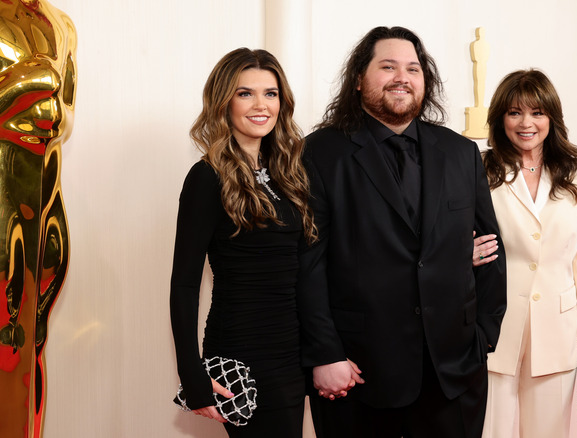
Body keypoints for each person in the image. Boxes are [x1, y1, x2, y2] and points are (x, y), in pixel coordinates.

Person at [297, 26, 507, 438]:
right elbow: (308, 264)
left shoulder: (461, 152)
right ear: (359, 79)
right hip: (357, 372)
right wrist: (325, 353)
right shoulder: (320, 153)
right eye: (387, 66)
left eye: (413, 68)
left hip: (454, 370)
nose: (402, 77)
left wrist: (482, 337)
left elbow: (491, 252)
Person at [169, 48, 315, 437]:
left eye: (270, 93)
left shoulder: (289, 173)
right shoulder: (206, 177)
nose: (260, 105)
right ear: (224, 102)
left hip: (291, 352)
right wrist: (192, 370)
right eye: (245, 93)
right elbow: (183, 284)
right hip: (242, 352)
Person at [475, 69, 577, 438]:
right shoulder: (479, 168)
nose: (526, 123)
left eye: (537, 112)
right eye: (514, 112)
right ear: (500, 118)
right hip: (492, 326)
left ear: (552, 117)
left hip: (558, 328)